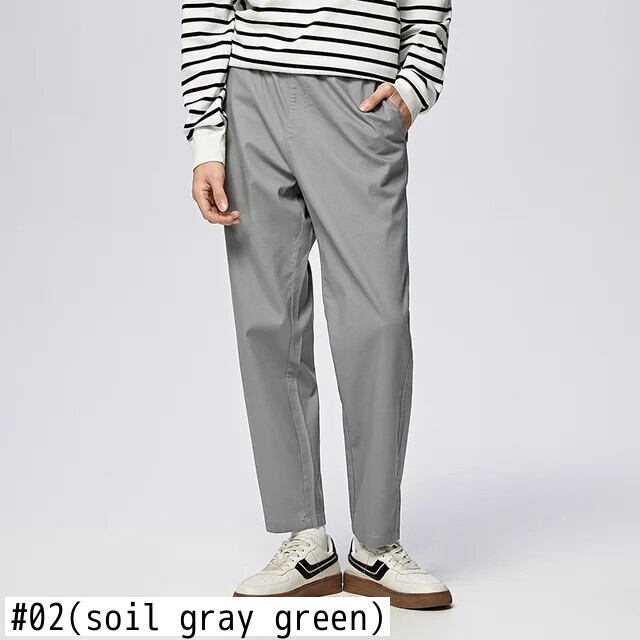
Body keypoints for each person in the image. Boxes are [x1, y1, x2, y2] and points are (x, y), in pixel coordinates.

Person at [181, 0, 453, 609]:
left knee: (377, 322)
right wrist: (206, 136)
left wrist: (414, 88)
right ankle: (305, 539)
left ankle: (376, 544)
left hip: (358, 95)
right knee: (267, 320)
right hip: (250, 90)